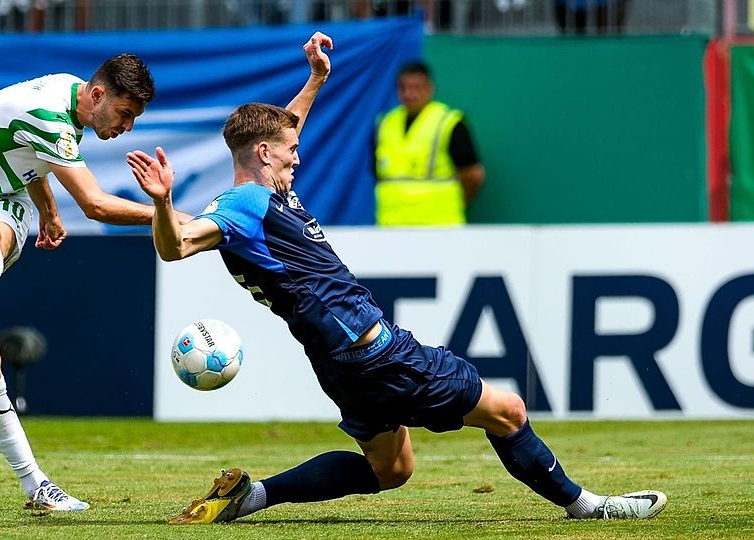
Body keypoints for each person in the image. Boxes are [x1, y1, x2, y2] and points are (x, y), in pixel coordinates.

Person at [126, 31, 668, 524]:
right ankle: (589, 508)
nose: (299, 155)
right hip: (377, 355)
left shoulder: (266, 193)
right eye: (289, 152)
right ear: (264, 154)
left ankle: (251, 496)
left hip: (340, 363)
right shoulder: (242, 206)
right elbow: (177, 248)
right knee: (508, 412)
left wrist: (315, 78)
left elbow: (284, 128)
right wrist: (163, 202)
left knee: (392, 469)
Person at [0, 53, 180, 511]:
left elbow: (29, 158)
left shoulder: (64, 92)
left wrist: (51, 212)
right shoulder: (52, 117)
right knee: (9, 216)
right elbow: (95, 205)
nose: (128, 127)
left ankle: (37, 486)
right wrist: (178, 216)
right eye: (125, 114)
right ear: (99, 95)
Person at [374, 60, 484, 226]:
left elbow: (473, 176)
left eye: (417, 87)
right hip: (392, 225)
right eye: (403, 88)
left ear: (430, 88)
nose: (410, 94)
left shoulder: (449, 122)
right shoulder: (385, 123)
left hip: (439, 224)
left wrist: (453, 204)